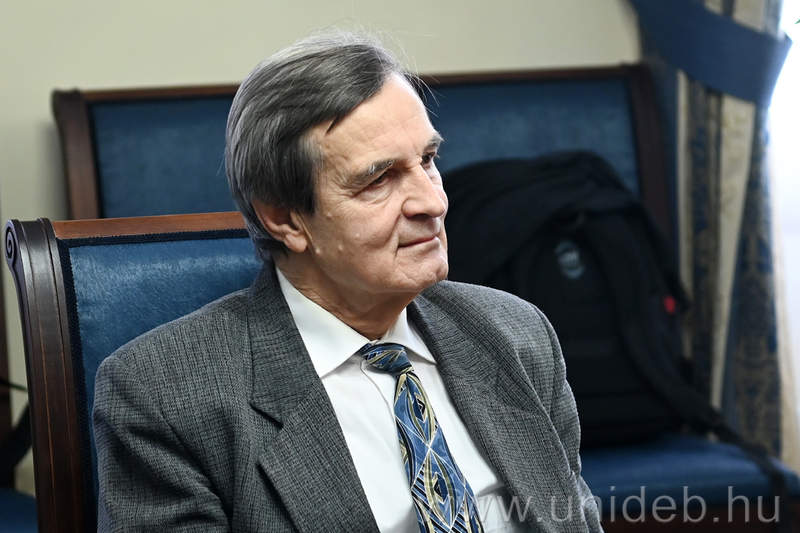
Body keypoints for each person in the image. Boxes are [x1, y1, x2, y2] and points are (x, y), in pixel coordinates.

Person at [93, 30, 603, 533]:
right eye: (379, 179)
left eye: (428, 161)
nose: (433, 202)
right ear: (286, 219)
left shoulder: (515, 334)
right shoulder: (164, 397)